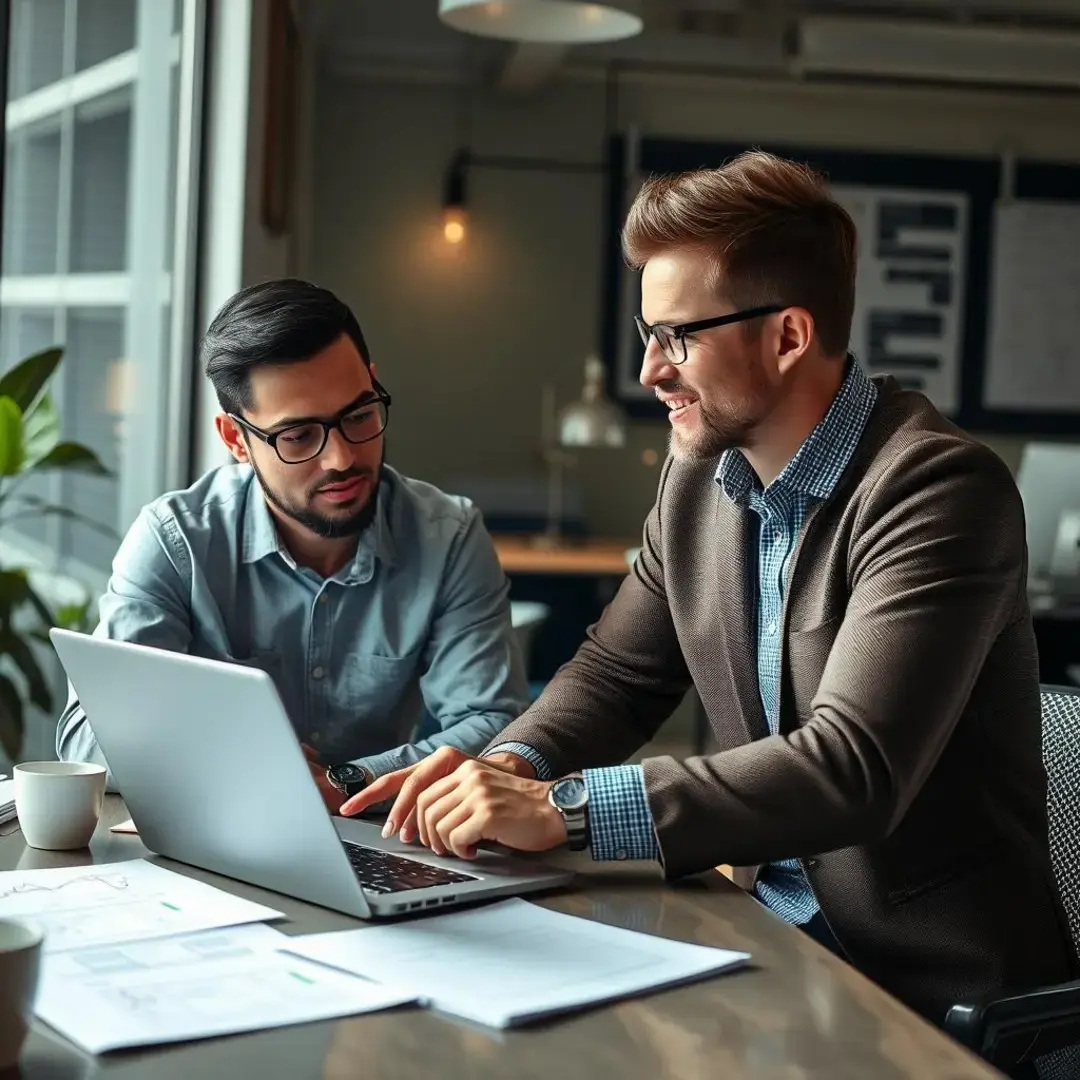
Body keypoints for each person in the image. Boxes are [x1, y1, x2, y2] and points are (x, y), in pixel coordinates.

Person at [342, 152, 1077, 1038]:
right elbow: (617, 674)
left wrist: (566, 810)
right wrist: (513, 766)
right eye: (649, 335)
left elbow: (853, 768)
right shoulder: (698, 481)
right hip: (763, 949)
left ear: (789, 335)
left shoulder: (939, 489)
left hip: (927, 994)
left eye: (676, 336)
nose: (651, 369)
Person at [57, 279, 528, 812]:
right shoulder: (176, 541)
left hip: (380, 838)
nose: (342, 459)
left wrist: (346, 779)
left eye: (358, 415)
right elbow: (90, 736)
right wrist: (261, 771)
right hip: (215, 833)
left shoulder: (448, 537)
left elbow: (495, 725)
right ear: (236, 440)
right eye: (298, 436)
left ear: (374, 386)